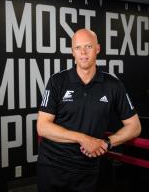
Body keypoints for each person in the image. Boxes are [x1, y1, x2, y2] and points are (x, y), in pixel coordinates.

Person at [36, 28, 141, 192]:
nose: (83, 52)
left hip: (89, 169)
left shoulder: (113, 85)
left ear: (98, 48)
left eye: (88, 47)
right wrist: (83, 139)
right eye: (78, 48)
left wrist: (106, 143)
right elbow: (43, 127)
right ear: (72, 52)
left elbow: (135, 126)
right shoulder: (57, 81)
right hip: (53, 166)